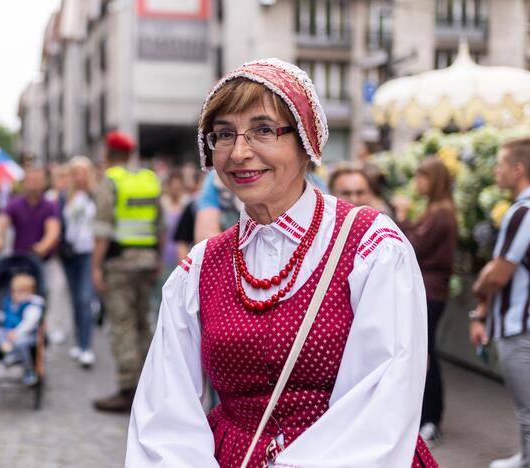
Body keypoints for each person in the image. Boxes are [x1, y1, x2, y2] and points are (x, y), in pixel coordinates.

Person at [126, 59, 436, 467]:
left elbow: (382, 401)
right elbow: (165, 410)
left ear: (306, 141)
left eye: (263, 130)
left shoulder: (371, 247)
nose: (239, 152)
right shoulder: (200, 268)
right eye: (223, 135)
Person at [91, 131, 164, 413]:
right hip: (146, 262)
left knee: (122, 325)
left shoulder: (110, 182)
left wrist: (95, 266)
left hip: (119, 264)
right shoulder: (149, 180)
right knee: (143, 323)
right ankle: (151, 386)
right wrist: (157, 257)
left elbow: (102, 230)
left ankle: (127, 389)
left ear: (108, 155)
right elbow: (161, 225)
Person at [470, 137, 530, 468]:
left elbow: (498, 274)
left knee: (528, 410)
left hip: (519, 326)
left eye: (501, 164)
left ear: (518, 169)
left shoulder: (523, 211)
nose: (496, 171)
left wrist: (478, 299)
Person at [391, 157, 458, 447]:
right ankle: (427, 418)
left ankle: (431, 421)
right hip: (430, 291)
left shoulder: (441, 214)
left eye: (422, 177)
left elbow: (415, 245)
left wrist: (402, 214)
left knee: (425, 355)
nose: (417, 183)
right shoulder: (435, 210)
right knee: (425, 353)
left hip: (431, 292)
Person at [0, 165, 62, 338]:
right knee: (16, 295)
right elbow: (1, 222)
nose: (34, 184)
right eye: (30, 180)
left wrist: (43, 246)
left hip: (42, 261)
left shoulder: (50, 206)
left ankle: (44, 330)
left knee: (46, 295)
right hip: (20, 262)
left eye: (37, 180)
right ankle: (15, 328)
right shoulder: (15, 204)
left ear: (44, 182)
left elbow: (53, 230)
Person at [61, 155, 97, 368]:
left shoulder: (95, 195)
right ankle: (78, 341)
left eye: (83, 172)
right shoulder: (65, 196)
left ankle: (86, 346)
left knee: (85, 300)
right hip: (70, 254)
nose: (79, 176)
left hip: (88, 253)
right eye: (75, 172)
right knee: (75, 300)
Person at [0, 272, 45, 386]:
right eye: (15, 292)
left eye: (21, 292)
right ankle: (9, 352)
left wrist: (17, 333)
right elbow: (3, 316)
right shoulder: (9, 303)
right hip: (8, 332)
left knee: (21, 342)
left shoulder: (33, 306)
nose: (15, 295)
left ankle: (27, 369)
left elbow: (29, 323)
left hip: (25, 334)